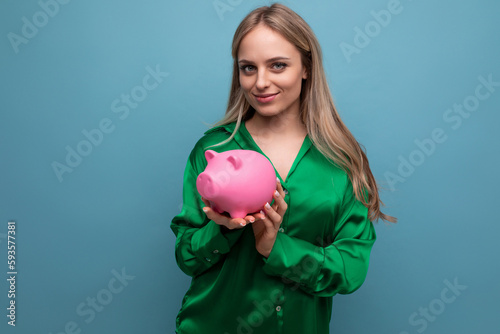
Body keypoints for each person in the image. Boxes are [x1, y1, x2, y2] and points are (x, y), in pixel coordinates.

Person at [170, 3, 396, 333]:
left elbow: (352, 268)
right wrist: (221, 229)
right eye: (248, 68)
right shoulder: (213, 150)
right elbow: (186, 257)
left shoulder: (341, 160)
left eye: (277, 65)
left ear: (306, 67)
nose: (261, 82)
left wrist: (276, 248)